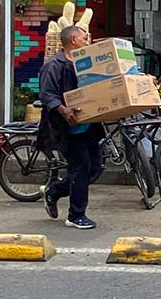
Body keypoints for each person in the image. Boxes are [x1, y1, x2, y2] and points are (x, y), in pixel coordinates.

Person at [41, 25, 102, 230]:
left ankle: (55, 191)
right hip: (67, 127)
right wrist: (63, 109)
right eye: (85, 38)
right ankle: (76, 215)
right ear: (73, 41)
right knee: (81, 167)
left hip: (88, 125)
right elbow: (47, 94)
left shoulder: (85, 64)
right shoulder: (55, 65)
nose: (88, 42)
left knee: (95, 166)